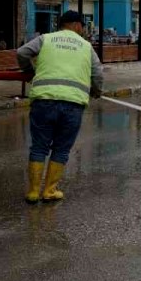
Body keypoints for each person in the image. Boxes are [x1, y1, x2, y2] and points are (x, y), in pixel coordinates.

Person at [16, 11, 104, 203]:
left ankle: (32, 192)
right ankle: (49, 191)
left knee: (39, 146)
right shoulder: (86, 47)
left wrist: (30, 72)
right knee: (61, 149)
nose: (83, 30)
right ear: (77, 25)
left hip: (43, 101)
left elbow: (22, 53)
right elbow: (98, 73)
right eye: (83, 26)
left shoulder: (45, 39)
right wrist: (96, 91)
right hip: (73, 104)